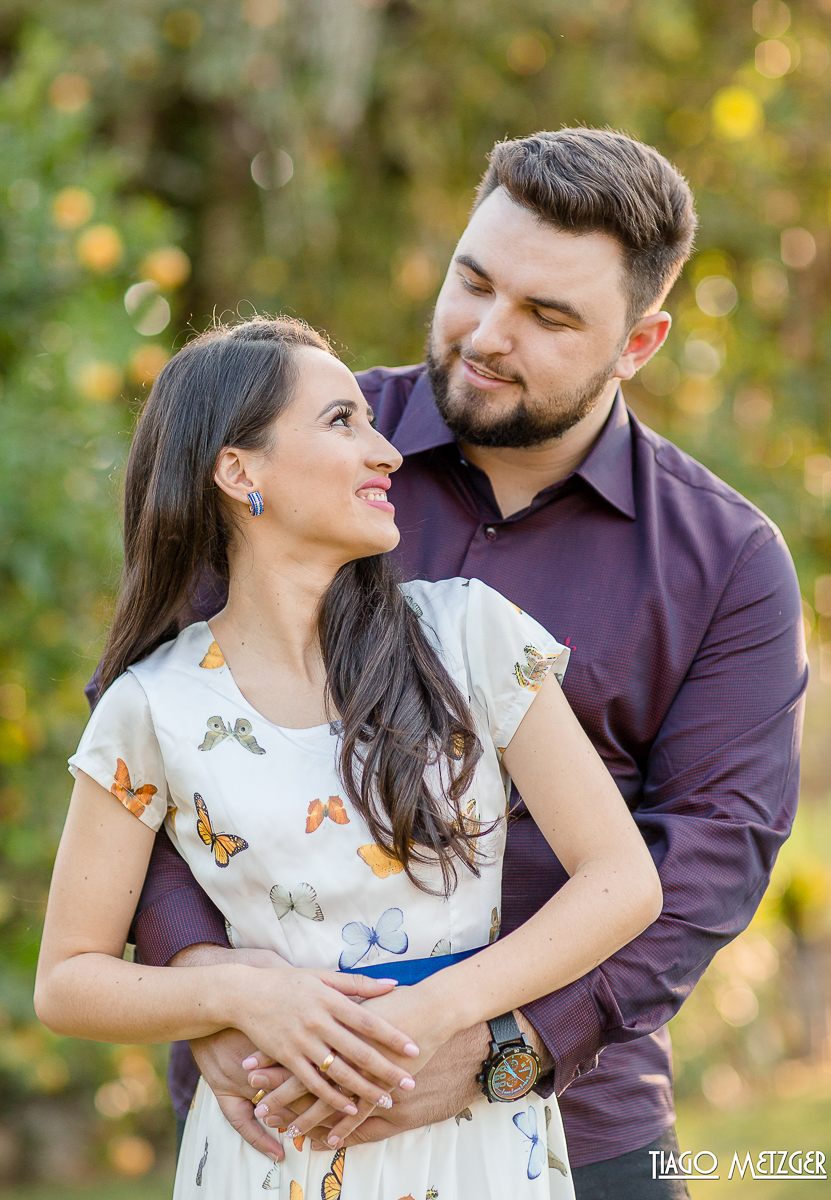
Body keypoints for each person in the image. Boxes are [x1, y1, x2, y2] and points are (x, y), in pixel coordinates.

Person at [98, 129, 807, 1198]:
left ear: (640, 343)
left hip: (582, 1116)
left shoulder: (728, 564)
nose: (485, 334)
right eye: (473, 280)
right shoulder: (295, 447)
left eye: (548, 315)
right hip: (282, 1109)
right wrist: (206, 982)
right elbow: (142, 720)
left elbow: (709, 860)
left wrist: (494, 1051)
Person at [36, 315, 663, 1198]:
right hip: (271, 1155)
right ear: (238, 471)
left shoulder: (472, 635)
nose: (389, 453)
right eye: (342, 422)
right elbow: (68, 981)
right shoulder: (153, 705)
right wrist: (239, 998)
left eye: (371, 421)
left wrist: (439, 1010)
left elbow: (623, 880)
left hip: (477, 1143)